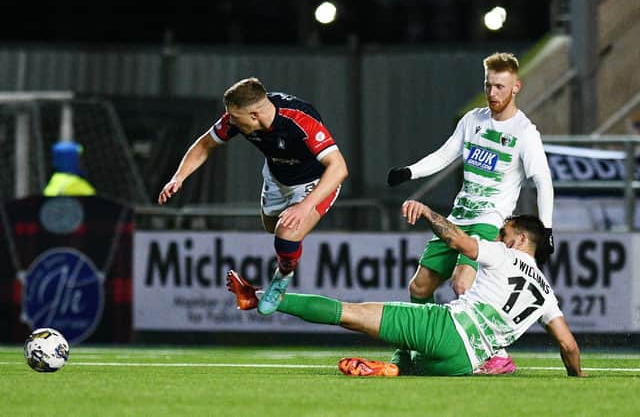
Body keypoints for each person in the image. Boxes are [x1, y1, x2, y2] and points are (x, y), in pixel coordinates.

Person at [227, 200, 585, 378]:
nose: (500, 236)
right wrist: (577, 378)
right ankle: (394, 369)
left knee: (349, 313)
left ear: (522, 239)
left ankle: (257, 296)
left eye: (505, 233)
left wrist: (428, 213)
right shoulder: (545, 294)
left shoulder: (503, 255)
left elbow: (459, 241)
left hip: (445, 329)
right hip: (464, 363)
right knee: (410, 365)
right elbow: (568, 346)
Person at [386, 52, 555, 373]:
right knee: (419, 288)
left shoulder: (525, 132)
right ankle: (411, 347)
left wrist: (546, 229)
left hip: (489, 221)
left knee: (463, 284)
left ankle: (498, 353)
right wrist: (410, 172)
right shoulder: (472, 121)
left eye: (500, 87)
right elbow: (445, 155)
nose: (493, 94)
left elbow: (542, 180)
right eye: (488, 86)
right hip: (457, 218)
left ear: (516, 87)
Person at [158, 77, 348, 315]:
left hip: (317, 181)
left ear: (255, 115)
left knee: (286, 234)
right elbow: (204, 145)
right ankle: (285, 257)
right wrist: (178, 177)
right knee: (272, 228)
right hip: (277, 178)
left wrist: (304, 207)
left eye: (236, 118)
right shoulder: (238, 119)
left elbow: (339, 168)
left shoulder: (299, 120)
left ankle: (281, 278)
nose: (231, 122)